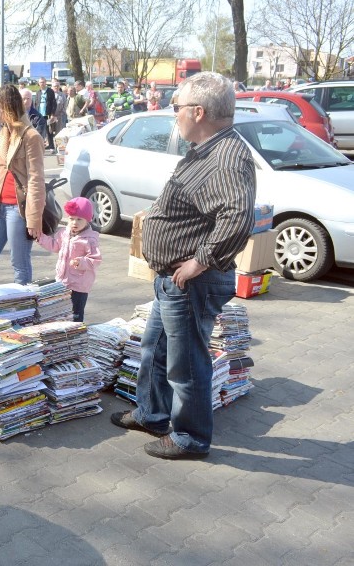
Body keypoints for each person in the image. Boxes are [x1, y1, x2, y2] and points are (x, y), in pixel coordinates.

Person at [110, 72, 256, 460]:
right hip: (173, 279)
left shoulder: (226, 156)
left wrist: (199, 262)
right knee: (155, 349)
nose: (173, 115)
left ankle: (190, 438)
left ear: (198, 111)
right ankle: (152, 414)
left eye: (176, 108)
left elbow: (238, 217)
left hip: (191, 282)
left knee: (185, 363)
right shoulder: (209, 147)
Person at [0, 85, 45, 289]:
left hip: (18, 210)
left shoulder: (31, 137)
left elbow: (36, 180)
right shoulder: (5, 132)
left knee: (19, 266)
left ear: (5, 107)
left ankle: (23, 313)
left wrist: (34, 217)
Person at [36, 197, 101, 322]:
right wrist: (41, 238)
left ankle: (76, 334)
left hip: (78, 285)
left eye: (79, 219)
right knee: (61, 312)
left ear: (88, 220)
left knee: (75, 314)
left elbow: (95, 259)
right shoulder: (64, 233)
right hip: (62, 281)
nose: (74, 223)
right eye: (71, 219)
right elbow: (55, 246)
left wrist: (81, 262)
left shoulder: (89, 239)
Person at [34, 78, 57, 151]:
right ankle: (40, 146)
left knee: (49, 130)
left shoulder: (50, 91)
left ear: (45, 83)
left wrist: (52, 114)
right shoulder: (38, 92)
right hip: (40, 114)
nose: (42, 84)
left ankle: (51, 146)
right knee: (39, 130)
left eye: (43, 82)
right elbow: (36, 103)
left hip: (47, 114)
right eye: (40, 82)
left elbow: (54, 103)